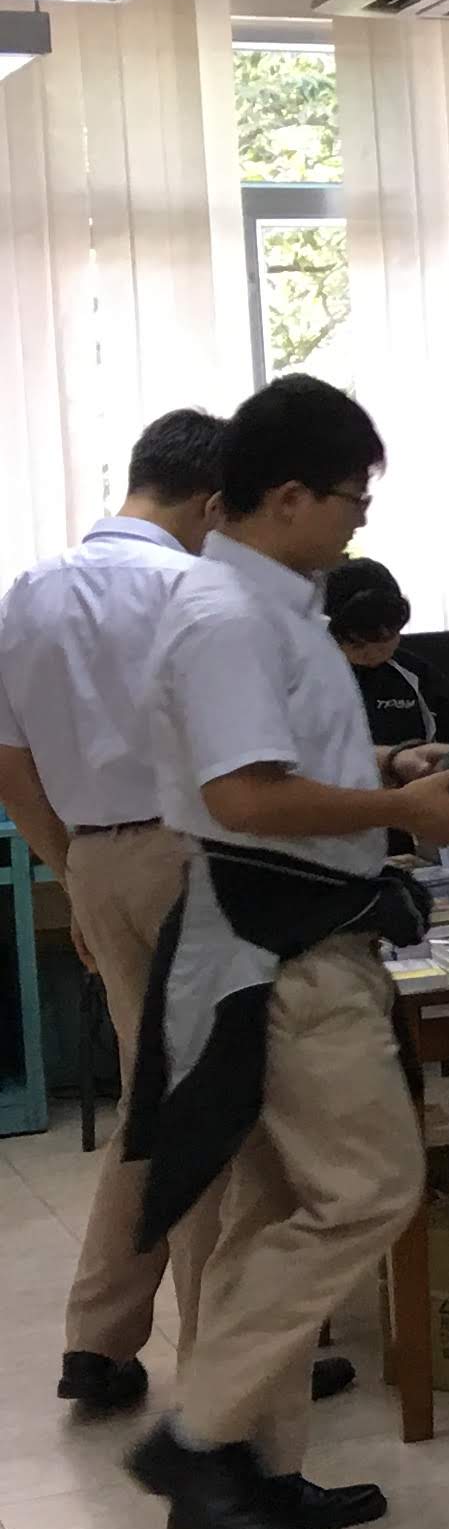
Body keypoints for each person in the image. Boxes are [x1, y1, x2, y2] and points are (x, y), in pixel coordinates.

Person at [121, 376, 449, 1529]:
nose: (358, 522)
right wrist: (399, 811)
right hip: (282, 942)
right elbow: (243, 798)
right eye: (351, 500)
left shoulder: (275, 606)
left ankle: (249, 1467)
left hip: (294, 924)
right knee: (371, 1190)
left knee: (280, 1207)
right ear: (288, 496)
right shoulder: (226, 614)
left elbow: (279, 762)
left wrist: (387, 764)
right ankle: (197, 1436)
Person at [0, 406, 230, 1417]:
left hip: (92, 858)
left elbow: (11, 766)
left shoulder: (29, 592)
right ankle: (226, 1358)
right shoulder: (198, 595)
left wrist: (72, 875)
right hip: (194, 857)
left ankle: (98, 1341)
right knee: (218, 1109)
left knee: (151, 1098)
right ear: (212, 503)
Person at [323, 558, 434, 751]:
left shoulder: (417, 676)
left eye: (385, 643)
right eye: (358, 646)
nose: (373, 654)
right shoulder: (308, 676)